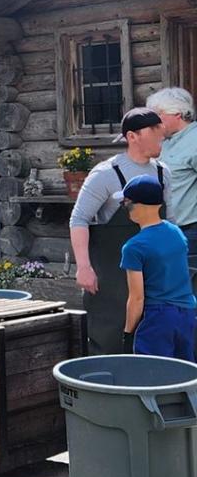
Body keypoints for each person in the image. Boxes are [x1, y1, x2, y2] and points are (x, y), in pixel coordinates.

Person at [70, 108, 169, 355]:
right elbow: (79, 219)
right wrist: (83, 267)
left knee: (154, 339)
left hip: (154, 277)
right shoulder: (105, 174)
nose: (162, 135)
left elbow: (170, 223)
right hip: (113, 280)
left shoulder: (162, 173)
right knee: (111, 341)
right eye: (154, 130)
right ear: (132, 136)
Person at [120, 175, 195, 361]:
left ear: (138, 206)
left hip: (157, 319)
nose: (124, 207)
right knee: (186, 376)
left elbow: (137, 298)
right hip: (188, 314)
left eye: (125, 202)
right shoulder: (176, 233)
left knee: (152, 377)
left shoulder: (133, 247)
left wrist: (128, 333)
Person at [147, 87, 197, 254]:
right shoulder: (166, 142)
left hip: (190, 232)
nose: (155, 122)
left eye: (159, 115)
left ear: (178, 113)